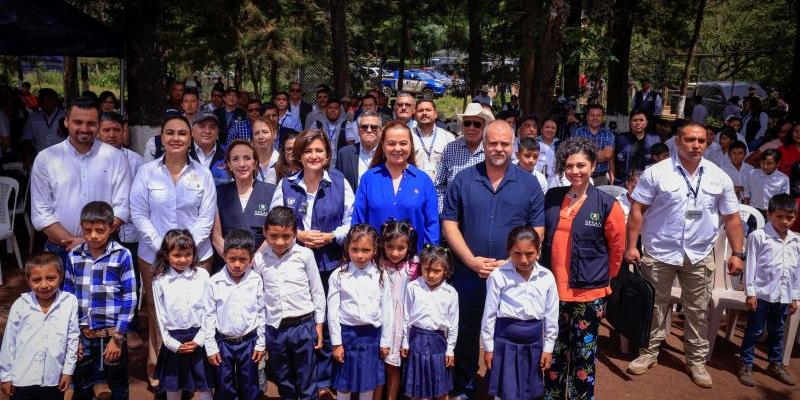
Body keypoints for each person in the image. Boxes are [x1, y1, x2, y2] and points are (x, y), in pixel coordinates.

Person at [626, 123, 745, 388]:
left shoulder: (718, 176)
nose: (696, 145)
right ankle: (648, 352)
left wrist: (738, 253)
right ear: (677, 141)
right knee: (654, 305)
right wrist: (631, 246)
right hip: (659, 251)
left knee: (697, 309)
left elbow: (732, 218)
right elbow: (637, 210)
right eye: (690, 139)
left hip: (699, 254)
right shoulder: (656, 173)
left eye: (701, 140)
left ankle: (696, 361)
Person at [442, 120, 545, 398]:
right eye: (493, 143)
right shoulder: (463, 179)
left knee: (507, 334)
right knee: (466, 332)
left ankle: (502, 387)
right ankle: (464, 385)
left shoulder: (529, 183)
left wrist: (511, 264)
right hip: (469, 272)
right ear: (483, 144)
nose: (498, 148)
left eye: (505, 143)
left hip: (512, 276)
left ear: (514, 146)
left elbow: (537, 230)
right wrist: (471, 260)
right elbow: (449, 223)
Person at [129, 112, 217, 388]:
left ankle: (195, 373)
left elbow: (207, 215)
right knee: (158, 313)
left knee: (196, 311)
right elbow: (139, 213)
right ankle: (158, 369)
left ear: (190, 138)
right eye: (170, 133)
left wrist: (187, 251)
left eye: (182, 133)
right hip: (154, 257)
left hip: (199, 257)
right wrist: (165, 249)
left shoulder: (203, 173)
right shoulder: (146, 172)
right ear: (162, 138)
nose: (176, 138)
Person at [538, 138, 625, 398]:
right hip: (553, 292)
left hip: (588, 295)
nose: (575, 171)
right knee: (553, 355)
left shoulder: (607, 204)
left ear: (593, 165)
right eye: (569, 166)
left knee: (583, 358)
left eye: (581, 165)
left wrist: (603, 280)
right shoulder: (552, 197)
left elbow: (617, 249)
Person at [31, 97, 131, 265]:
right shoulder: (46, 159)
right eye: (78, 122)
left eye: (91, 123)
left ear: (98, 125)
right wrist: (74, 242)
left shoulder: (116, 157)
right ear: (66, 122)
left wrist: (93, 241)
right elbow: (41, 213)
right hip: (60, 250)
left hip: (105, 250)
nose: (84, 129)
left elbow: (122, 207)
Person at [64, 202, 136, 400]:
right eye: (87, 230)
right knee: (82, 385)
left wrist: (118, 338)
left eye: (100, 230)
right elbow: (67, 297)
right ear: (81, 227)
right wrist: (74, 337)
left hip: (112, 335)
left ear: (112, 227)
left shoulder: (122, 255)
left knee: (118, 385)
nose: (93, 235)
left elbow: (129, 297)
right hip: (82, 335)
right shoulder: (74, 256)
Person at [254, 207, 326, 399]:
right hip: (275, 329)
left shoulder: (305, 255)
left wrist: (318, 325)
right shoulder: (259, 260)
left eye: (286, 236)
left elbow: (317, 291)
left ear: (295, 233)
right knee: (283, 378)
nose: (279, 242)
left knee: (307, 377)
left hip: (303, 326)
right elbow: (258, 298)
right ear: (265, 233)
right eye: (273, 236)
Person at [481, 226, 558, 400]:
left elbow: (551, 316)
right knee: (504, 391)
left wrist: (548, 348)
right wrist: (488, 347)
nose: (523, 260)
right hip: (504, 342)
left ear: (538, 251)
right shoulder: (498, 277)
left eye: (529, 253)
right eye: (517, 253)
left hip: (533, 344)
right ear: (509, 251)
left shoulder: (547, 277)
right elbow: (489, 315)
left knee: (529, 391)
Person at [738, 193, 799, 387]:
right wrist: (751, 292)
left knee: (777, 331)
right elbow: (751, 265)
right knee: (754, 330)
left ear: (796, 216)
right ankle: (746, 364)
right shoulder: (759, 236)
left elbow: (797, 270)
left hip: (783, 295)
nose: (785, 221)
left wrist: (795, 296)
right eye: (780, 216)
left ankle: (775, 364)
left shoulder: (796, 241)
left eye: (790, 217)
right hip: (762, 294)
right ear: (769, 214)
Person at [0, 253, 79, 400]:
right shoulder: (20, 304)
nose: (44, 285)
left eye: (51, 278)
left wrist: (68, 371)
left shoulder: (70, 302)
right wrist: (6, 376)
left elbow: (73, 338)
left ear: (61, 277)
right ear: (28, 281)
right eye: (36, 280)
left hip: (54, 378)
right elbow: (8, 343)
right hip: (22, 378)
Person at [327, 224, 392, 400]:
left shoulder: (381, 275)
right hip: (347, 337)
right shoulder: (338, 275)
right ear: (347, 248)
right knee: (344, 384)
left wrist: (385, 342)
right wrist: (336, 343)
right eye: (354, 249)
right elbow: (332, 313)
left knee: (367, 384)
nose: (360, 255)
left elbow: (387, 310)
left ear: (375, 250)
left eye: (366, 250)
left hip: (371, 338)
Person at [352, 121, 439, 250]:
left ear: (411, 146)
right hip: (374, 263)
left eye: (403, 143)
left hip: (413, 264)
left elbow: (432, 226)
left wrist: (428, 259)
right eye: (391, 143)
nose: (397, 148)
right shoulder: (369, 179)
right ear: (382, 145)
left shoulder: (423, 180)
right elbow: (358, 223)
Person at [151, 229, 215, 399]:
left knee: (204, 385)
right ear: (166, 255)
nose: (183, 260)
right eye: (177, 255)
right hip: (174, 341)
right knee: (173, 386)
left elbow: (209, 310)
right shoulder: (160, 281)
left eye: (188, 254)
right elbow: (160, 317)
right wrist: (173, 344)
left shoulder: (202, 276)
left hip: (198, 338)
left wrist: (199, 340)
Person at [205, 229, 266, 400]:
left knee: (250, 386)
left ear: (251, 259)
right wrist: (211, 346)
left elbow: (262, 313)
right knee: (224, 387)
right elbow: (209, 316)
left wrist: (261, 343)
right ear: (224, 256)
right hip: (223, 342)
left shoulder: (256, 280)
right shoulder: (214, 282)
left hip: (249, 342)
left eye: (243, 259)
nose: (237, 264)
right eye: (232, 259)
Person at [401, 245, 459, 400]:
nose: (430, 275)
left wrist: (450, 350)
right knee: (417, 386)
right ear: (421, 267)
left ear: (446, 271)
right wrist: (405, 343)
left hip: (439, 343)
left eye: (436, 271)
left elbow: (453, 324)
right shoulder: (413, 287)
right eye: (426, 269)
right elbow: (406, 317)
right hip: (416, 341)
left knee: (441, 387)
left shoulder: (451, 293)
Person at [376, 219, 420, 400]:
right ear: (383, 245)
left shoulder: (413, 266)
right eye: (390, 247)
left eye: (400, 248)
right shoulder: (378, 263)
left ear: (409, 247)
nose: (394, 253)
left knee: (393, 367)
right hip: (380, 318)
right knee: (378, 367)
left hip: (401, 321)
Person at [212, 139, 277, 257]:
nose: (241, 164)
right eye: (235, 159)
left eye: (247, 158)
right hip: (226, 263)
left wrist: (252, 262)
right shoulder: (219, 193)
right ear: (229, 165)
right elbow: (216, 237)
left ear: (255, 163)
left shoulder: (272, 192)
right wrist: (232, 260)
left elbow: (274, 234)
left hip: (262, 262)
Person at [434, 103, 494, 211]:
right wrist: (443, 211)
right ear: (462, 126)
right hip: (452, 216)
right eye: (467, 123)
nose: (471, 128)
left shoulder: (491, 150)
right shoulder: (450, 148)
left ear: (484, 127)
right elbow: (439, 186)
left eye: (476, 124)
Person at [336, 111, 382, 190]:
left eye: (374, 127)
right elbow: (338, 185)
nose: (369, 130)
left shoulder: (387, 154)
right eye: (364, 127)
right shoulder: (344, 154)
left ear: (380, 131)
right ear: (358, 130)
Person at [412, 100, 455, 180]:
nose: (424, 113)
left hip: (440, 189)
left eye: (428, 110)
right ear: (415, 115)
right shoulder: (407, 136)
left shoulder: (448, 137)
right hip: (414, 187)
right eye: (420, 110)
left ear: (435, 114)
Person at [614, 111, 661, 185]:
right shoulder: (620, 139)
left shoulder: (655, 140)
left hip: (646, 184)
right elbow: (612, 161)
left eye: (641, 120)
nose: (638, 123)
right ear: (630, 122)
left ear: (647, 122)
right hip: (621, 183)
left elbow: (659, 164)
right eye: (635, 120)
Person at [571, 104, 615, 185]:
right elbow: (576, 154)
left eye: (598, 115)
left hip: (601, 179)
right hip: (582, 176)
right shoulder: (579, 132)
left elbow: (607, 155)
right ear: (587, 117)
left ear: (603, 117)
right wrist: (600, 154)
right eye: (592, 115)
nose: (595, 118)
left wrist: (585, 154)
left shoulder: (608, 134)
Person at [21, 88, 65, 156]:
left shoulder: (66, 116)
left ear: (54, 100)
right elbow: (27, 138)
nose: (40, 102)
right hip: (40, 158)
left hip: (62, 158)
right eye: (39, 99)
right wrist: (27, 157)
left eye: (43, 99)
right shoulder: (33, 117)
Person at [189, 112, 229, 185]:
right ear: (192, 131)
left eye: (212, 127)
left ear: (217, 132)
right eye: (202, 126)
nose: (207, 131)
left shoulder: (229, 153)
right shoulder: (182, 153)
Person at [313, 98, 349, 166]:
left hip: (341, 165)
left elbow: (351, 148)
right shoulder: (317, 124)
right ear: (326, 109)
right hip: (321, 164)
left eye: (336, 108)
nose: (333, 111)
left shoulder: (347, 124)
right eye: (330, 108)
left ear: (340, 111)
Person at [250, 117, 280, 182]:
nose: (261, 137)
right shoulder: (248, 163)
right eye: (256, 133)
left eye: (265, 132)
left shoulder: (282, 162)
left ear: (274, 134)